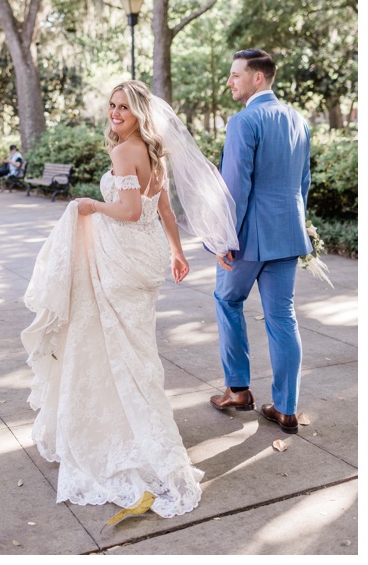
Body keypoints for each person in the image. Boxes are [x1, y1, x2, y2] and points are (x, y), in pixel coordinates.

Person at [21, 80, 237, 519]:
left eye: (124, 107)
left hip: (123, 259)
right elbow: (165, 211)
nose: (115, 113)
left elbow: (131, 212)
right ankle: (139, 429)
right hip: (148, 256)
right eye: (112, 106)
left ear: (140, 112)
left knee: (114, 342)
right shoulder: (157, 153)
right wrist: (176, 251)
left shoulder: (124, 152)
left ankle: (129, 436)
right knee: (134, 348)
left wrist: (88, 204)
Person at [208, 49, 311, 434]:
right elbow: (303, 184)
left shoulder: (243, 121)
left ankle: (238, 389)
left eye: (235, 75)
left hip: (247, 239)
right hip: (287, 236)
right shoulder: (299, 121)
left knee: (227, 299)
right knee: (283, 317)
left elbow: (235, 188)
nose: (230, 82)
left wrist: (223, 239)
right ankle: (286, 408)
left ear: (257, 79)